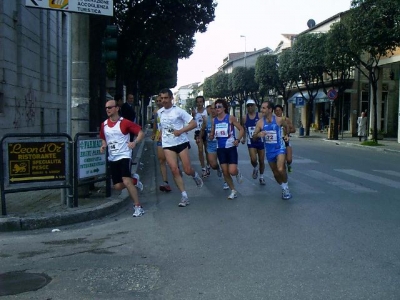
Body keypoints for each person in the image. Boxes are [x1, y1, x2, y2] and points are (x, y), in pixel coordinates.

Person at [99, 99, 145, 217]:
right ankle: (135, 180)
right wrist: (104, 145)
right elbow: (104, 138)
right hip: (113, 157)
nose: (107, 110)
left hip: (125, 155)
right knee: (118, 186)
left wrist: (134, 143)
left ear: (117, 108)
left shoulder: (124, 122)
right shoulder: (104, 124)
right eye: (106, 108)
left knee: (126, 180)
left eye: (110, 107)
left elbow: (140, 132)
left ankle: (138, 207)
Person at [158, 88, 203, 207]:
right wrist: (160, 135)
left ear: (171, 98)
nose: (164, 101)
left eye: (166, 98)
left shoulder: (179, 111)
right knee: (174, 169)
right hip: (168, 144)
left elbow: (194, 123)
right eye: (162, 98)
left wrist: (181, 130)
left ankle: (195, 175)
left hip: (181, 143)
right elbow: (162, 126)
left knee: (187, 170)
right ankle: (184, 196)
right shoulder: (160, 112)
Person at [253, 101, 292, 200]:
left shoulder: (279, 120)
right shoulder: (260, 122)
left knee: (280, 169)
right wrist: (258, 135)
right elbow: (253, 137)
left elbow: (287, 126)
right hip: (269, 151)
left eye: (264, 108)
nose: (262, 110)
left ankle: (286, 187)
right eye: (261, 108)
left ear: (270, 110)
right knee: (275, 173)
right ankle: (283, 187)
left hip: (280, 148)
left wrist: (287, 135)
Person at [209, 99, 244, 200]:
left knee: (232, 171)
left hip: (231, 147)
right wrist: (211, 136)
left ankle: (237, 172)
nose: (217, 109)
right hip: (220, 148)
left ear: (224, 108)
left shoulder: (230, 118)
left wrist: (238, 139)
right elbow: (212, 133)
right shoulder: (214, 120)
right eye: (216, 107)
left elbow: (241, 129)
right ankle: (233, 190)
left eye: (219, 107)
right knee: (225, 172)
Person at [201, 103, 229, 190]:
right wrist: (199, 138)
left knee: (224, 164)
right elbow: (202, 129)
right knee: (213, 164)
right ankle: (218, 169)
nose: (213, 110)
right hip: (211, 145)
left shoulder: (223, 119)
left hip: (221, 144)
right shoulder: (206, 119)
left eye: (215, 108)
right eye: (212, 108)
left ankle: (226, 181)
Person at [241, 99, 266, 185]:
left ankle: (261, 177)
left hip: (260, 141)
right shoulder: (244, 118)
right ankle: (255, 167)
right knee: (253, 159)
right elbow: (243, 129)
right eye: (248, 106)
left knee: (262, 160)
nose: (250, 107)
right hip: (251, 141)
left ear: (255, 106)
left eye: (251, 105)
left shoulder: (260, 115)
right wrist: (243, 138)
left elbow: (265, 126)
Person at [151, 95, 172, 192]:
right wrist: (154, 133)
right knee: (161, 159)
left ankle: (177, 170)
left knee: (172, 161)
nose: (159, 102)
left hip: (171, 137)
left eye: (161, 100)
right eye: (158, 101)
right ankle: (165, 182)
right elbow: (155, 123)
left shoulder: (170, 110)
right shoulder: (156, 112)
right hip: (160, 137)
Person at [274, 104, 296, 173]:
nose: (278, 112)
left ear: (282, 111)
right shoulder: (273, 120)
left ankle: (289, 164)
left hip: (285, 140)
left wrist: (286, 131)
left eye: (279, 110)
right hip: (277, 142)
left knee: (289, 159)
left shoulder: (286, 119)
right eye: (276, 111)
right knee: (281, 161)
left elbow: (293, 129)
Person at [192, 96, 210, 178]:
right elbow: (192, 122)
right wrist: (193, 116)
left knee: (207, 150)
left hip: (206, 131)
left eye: (201, 102)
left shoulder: (207, 111)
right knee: (200, 150)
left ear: (203, 102)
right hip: (198, 132)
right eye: (198, 102)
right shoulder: (194, 111)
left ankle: (208, 166)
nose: (199, 103)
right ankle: (203, 168)